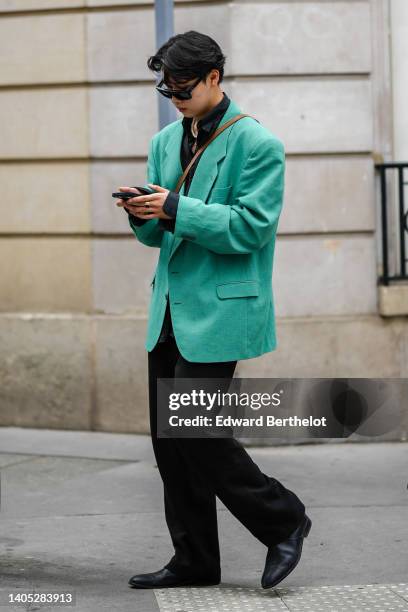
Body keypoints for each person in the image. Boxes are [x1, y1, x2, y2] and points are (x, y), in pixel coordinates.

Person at [115, 30, 311, 590]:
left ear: (215, 77)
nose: (173, 95)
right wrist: (142, 213)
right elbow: (158, 241)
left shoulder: (257, 144)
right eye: (166, 86)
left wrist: (176, 207)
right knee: (169, 443)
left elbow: (251, 229)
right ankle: (195, 558)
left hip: (222, 312)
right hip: (169, 310)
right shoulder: (162, 142)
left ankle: (284, 519)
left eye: (183, 85)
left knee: (197, 432)